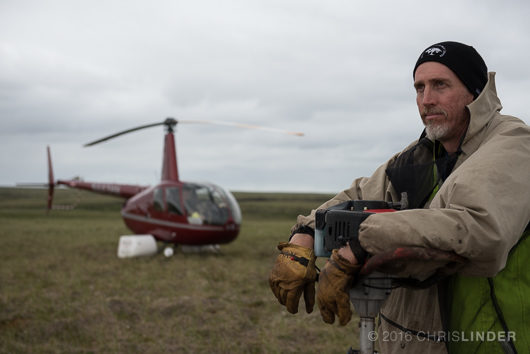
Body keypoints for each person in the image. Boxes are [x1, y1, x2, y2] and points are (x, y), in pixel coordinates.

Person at [269, 41, 530, 354]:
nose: (427, 100)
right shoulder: (422, 156)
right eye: (419, 88)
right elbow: (357, 195)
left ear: (476, 92)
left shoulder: (512, 144)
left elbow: (475, 227)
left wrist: (359, 246)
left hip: (487, 342)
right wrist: (304, 235)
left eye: (440, 85)